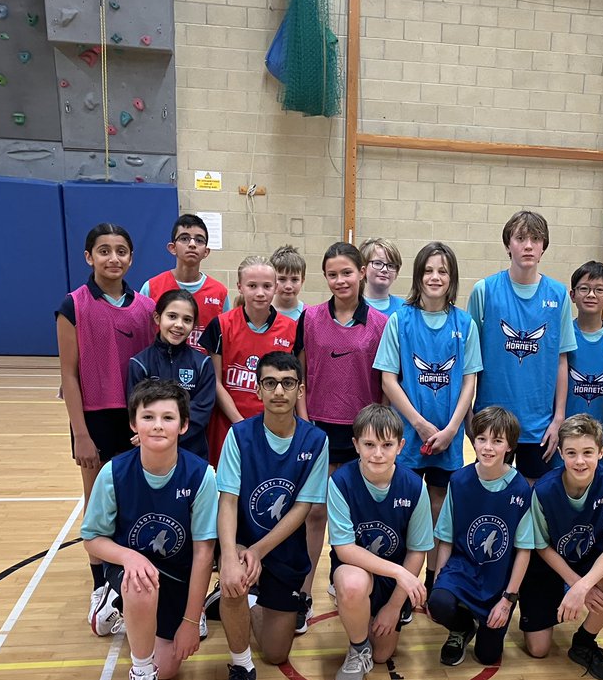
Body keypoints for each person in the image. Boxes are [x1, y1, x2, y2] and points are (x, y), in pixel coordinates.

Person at [82, 379, 217, 680]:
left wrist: (190, 620)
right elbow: (93, 539)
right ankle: (141, 675)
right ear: (133, 424)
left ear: (183, 426)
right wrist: (129, 557)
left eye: (168, 418)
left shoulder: (201, 475)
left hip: (176, 572)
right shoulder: (114, 472)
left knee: (169, 669)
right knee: (140, 582)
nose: (158, 425)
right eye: (149, 416)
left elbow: (204, 553)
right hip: (132, 569)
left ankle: (122, 610)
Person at [214, 352, 328, 680]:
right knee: (234, 578)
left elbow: (301, 509)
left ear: (300, 390)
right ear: (258, 389)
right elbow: (228, 501)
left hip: (278, 550)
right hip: (242, 543)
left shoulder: (316, 441)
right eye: (270, 383)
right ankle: (240, 667)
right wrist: (231, 554)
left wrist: (260, 551)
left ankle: (246, 605)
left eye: (288, 383)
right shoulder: (238, 435)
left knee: (277, 653)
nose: (279, 391)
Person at [57, 223, 156, 617]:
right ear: (88, 257)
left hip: (136, 418)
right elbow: (68, 373)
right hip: (94, 417)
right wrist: (80, 433)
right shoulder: (73, 305)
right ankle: (100, 584)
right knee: (96, 497)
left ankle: (131, 570)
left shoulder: (147, 308)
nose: (112, 258)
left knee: (135, 495)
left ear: (131, 258)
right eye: (104, 250)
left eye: (121, 251)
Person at [375, 241, 481, 595]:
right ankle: (399, 582)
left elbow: (469, 381)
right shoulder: (400, 320)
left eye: (443, 271)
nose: (435, 277)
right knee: (403, 506)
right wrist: (419, 424)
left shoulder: (463, 323)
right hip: (407, 433)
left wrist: (453, 429)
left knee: (439, 506)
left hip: (447, 436)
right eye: (429, 270)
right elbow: (388, 379)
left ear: (452, 278)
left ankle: (434, 580)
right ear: (418, 275)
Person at [296, 242, 389, 625]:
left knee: (355, 514)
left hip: (363, 432)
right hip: (319, 429)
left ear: (362, 272)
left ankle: (347, 578)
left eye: (347, 272)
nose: (340, 280)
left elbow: (385, 383)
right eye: (332, 274)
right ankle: (302, 593)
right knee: (315, 513)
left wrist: (379, 433)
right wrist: (304, 422)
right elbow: (300, 373)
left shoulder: (381, 324)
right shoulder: (311, 317)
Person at [328, 404, 433, 680]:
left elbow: (416, 551)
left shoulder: (414, 486)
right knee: (352, 583)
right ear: (356, 445)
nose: (377, 454)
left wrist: (394, 606)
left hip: (393, 579)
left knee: (383, 654)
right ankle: (357, 648)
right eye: (369, 444)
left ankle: (368, 617)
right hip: (358, 568)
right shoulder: (340, 482)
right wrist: (399, 573)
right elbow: (345, 549)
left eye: (386, 445)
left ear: (400, 446)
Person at [468, 210, 576, 482]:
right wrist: (469, 415)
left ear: (543, 247)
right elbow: (468, 361)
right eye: (520, 238)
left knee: (534, 501)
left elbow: (561, 359)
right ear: (508, 245)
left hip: (539, 424)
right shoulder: (485, 290)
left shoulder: (558, 294)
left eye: (536, 239)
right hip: (491, 419)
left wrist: (559, 417)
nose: (528, 245)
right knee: (492, 496)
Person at [521, 414, 603, 680]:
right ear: (560, 453)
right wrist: (576, 584)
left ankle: (584, 642)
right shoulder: (544, 490)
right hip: (548, 564)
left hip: (588, 560)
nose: (579, 461)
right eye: (571, 453)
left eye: (587, 453)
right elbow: (542, 547)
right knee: (538, 650)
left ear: (601, 452)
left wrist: (583, 587)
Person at [428, 406, 532, 667]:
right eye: (481, 439)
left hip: (497, 579)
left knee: (488, 656)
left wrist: (508, 600)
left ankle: (484, 622)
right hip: (462, 569)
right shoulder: (459, 480)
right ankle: (462, 627)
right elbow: (446, 539)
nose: (487, 447)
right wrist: (438, 585)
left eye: (497, 441)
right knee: (439, 603)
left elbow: (523, 550)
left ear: (509, 446)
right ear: (472, 440)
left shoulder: (521, 488)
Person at [198, 255, 297, 467]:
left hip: (274, 429)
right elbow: (215, 382)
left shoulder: (292, 329)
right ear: (240, 287)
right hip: (229, 426)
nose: (260, 293)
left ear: (276, 287)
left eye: (267, 286)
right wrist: (240, 424)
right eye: (252, 285)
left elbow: (297, 384)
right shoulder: (221, 325)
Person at [127, 289, 216, 460]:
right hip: (152, 452)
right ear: (157, 318)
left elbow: (201, 411)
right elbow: (136, 409)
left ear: (193, 325)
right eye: (172, 316)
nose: (179, 325)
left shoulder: (203, 364)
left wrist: (169, 435)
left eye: (187, 320)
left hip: (192, 453)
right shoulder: (140, 363)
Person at [138, 214, 229, 352]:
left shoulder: (219, 292)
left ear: (206, 251)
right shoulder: (151, 287)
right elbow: (140, 335)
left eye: (199, 240)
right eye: (185, 239)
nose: (192, 244)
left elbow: (224, 342)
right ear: (172, 247)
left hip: (203, 372)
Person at [565, 261, 603, 436]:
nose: (591, 295)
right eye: (584, 289)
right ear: (572, 295)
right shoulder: (562, 333)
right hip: (565, 431)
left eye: (599, 289)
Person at [360, 237, 405, 316]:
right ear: (364, 267)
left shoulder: (405, 308)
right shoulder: (353, 307)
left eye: (391, 265)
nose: (385, 269)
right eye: (377, 263)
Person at [271, 244, 307, 321]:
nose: (288, 286)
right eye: (282, 279)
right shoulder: (262, 314)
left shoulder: (309, 315)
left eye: (294, 279)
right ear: (272, 280)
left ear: (302, 281)